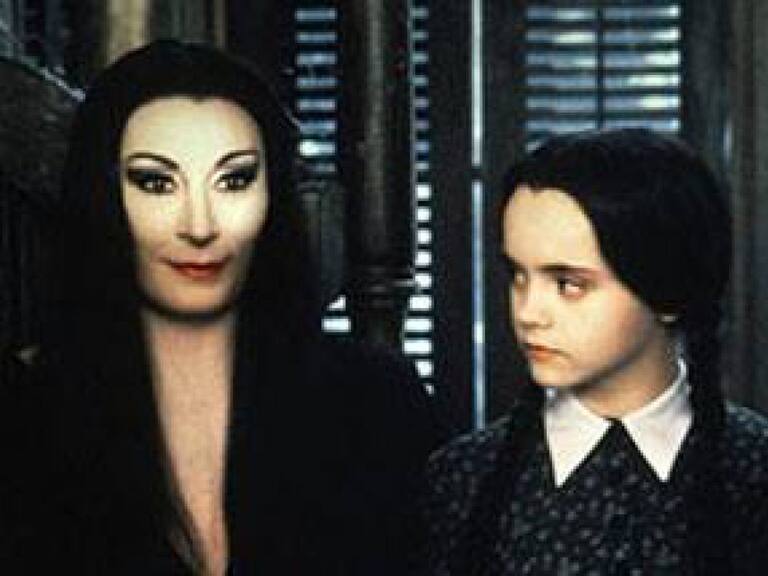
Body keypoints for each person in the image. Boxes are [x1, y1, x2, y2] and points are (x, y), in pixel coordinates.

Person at [2, 40, 440, 575]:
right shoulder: (24, 419)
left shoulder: (378, 402)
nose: (200, 226)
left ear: (272, 197)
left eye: (234, 180)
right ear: (104, 197)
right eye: (156, 183)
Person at [423, 128, 768, 575]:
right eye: (518, 276)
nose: (528, 313)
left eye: (568, 284)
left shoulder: (754, 470)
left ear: (668, 290)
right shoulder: (462, 477)